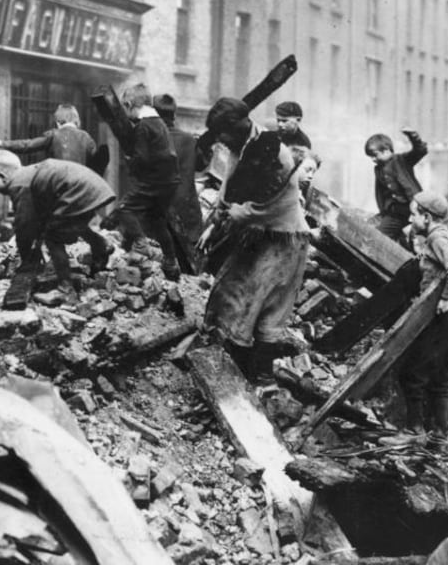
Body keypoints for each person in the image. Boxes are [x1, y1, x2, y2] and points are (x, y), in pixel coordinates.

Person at [200, 97, 318, 383]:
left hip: (283, 239)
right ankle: (233, 366)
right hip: (258, 234)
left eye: (222, 134)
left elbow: (269, 204)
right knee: (235, 293)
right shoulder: (240, 146)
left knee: (265, 306)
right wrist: (215, 221)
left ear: (237, 127)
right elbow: (229, 187)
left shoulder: (272, 151)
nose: (221, 141)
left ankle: (260, 378)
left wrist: (232, 217)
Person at [0, 150, 115, 301]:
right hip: (92, 187)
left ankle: (65, 289)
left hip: (81, 190)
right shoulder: (28, 175)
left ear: (2, 176)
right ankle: (100, 245)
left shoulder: (19, 184)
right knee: (70, 221)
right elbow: (39, 215)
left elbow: (24, 224)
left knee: (53, 237)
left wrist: (27, 259)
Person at [397, 191, 448, 443]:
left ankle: (414, 431)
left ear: (426, 217)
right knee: (439, 376)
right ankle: (440, 434)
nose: (409, 218)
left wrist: (446, 296)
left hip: (443, 317)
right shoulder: (439, 237)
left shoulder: (438, 239)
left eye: (413, 214)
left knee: (411, 372)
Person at [114, 83, 181, 281]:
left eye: (125, 110)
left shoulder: (143, 126)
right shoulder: (159, 122)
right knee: (157, 220)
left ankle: (141, 244)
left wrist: (130, 161)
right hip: (169, 181)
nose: (126, 116)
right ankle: (171, 262)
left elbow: (141, 158)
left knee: (124, 208)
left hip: (155, 181)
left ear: (128, 104)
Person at [153, 93, 204, 267]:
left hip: (160, 214)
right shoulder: (189, 140)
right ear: (174, 115)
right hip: (187, 212)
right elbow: (201, 166)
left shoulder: (151, 140)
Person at [366, 128, 427, 243]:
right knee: (379, 235)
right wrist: (383, 211)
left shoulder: (401, 160)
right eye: (371, 157)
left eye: (375, 155)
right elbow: (380, 193)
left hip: (413, 210)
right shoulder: (378, 169)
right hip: (395, 213)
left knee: (419, 238)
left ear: (386, 150)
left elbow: (420, 151)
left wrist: (413, 137)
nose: (373, 159)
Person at [0, 104, 97, 166]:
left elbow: (28, 145)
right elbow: (97, 162)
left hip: (58, 183)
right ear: (76, 120)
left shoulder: (54, 135)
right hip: (81, 185)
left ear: (58, 121)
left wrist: (2, 143)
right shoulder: (86, 137)